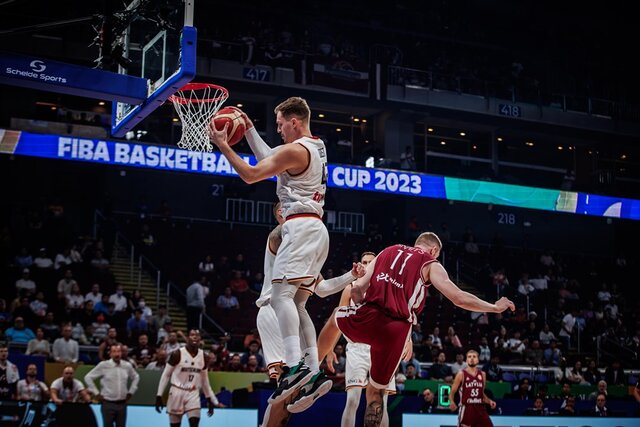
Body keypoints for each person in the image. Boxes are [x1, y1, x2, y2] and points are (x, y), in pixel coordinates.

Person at [209, 97, 330, 408]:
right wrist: (248, 130)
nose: (277, 130)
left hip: (300, 227)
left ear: (294, 121)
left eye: (279, 124)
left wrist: (224, 145)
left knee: (279, 298)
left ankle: (294, 367)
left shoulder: (294, 149)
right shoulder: (314, 146)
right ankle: (313, 372)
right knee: (299, 302)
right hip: (316, 229)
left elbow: (252, 174)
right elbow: (271, 159)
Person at [333, 232, 515, 427]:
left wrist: (407, 337)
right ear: (434, 251)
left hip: (368, 325)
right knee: (368, 397)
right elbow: (458, 297)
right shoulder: (429, 262)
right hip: (389, 334)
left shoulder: (388, 252)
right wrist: (494, 307)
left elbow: (357, 293)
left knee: (378, 398)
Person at [257, 203, 364, 424]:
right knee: (284, 391)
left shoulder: (301, 254)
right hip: (273, 311)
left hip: (289, 315)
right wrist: (305, 221)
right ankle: (311, 376)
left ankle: (312, 377)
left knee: (288, 392)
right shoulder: (277, 237)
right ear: (280, 213)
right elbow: (282, 232)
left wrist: (350, 275)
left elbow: (323, 289)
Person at [315, 251, 398, 427]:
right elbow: (338, 320)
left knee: (381, 402)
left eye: (371, 262)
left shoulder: (386, 287)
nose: (367, 264)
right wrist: (329, 349)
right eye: (364, 261)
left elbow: (399, 316)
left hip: (381, 349)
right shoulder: (350, 287)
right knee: (352, 400)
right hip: (356, 348)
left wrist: (408, 341)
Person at [155, 329, 220, 427]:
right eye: (192, 335)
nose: (195, 337)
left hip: (192, 392)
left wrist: (209, 399)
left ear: (200, 339)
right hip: (177, 391)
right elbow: (166, 375)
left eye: (197, 335)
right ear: (187, 337)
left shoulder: (204, 357)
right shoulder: (177, 354)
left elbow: (205, 381)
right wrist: (159, 395)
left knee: (194, 423)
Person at [84, 344, 140, 427]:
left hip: (122, 403)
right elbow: (88, 377)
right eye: (114, 351)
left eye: (119, 351)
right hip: (108, 403)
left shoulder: (127, 366)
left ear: (121, 353)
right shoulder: (104, 365)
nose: (117, 354)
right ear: (110, 354)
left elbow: (136, 377)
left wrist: (131, 391)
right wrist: (96, 393)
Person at [449, 350, 497, 427]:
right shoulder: (461, 374)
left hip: (480, 408)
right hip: (467, 409)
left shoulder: (483, 374)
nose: (471, 358)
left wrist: (489, 401)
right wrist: (451, 402)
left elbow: (481, 394)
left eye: (474, 357)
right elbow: (452, 392)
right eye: (469, 357)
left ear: (478, 360)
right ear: (466, 360)